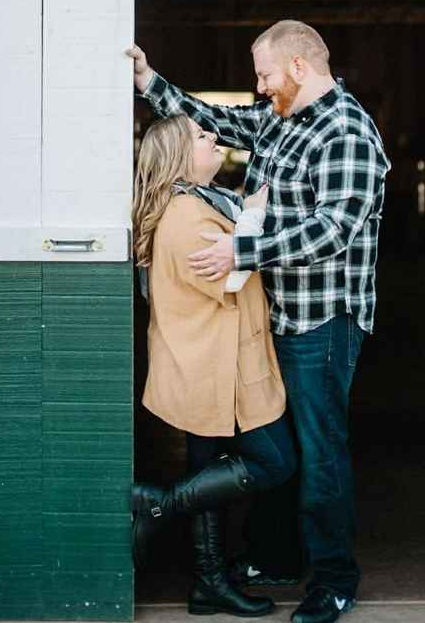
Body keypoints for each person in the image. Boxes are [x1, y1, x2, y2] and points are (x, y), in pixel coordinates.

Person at [126, 20, 390, 623]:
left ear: (299, 66)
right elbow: (209, 122)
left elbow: (332, 231)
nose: (260, 86)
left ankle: (334, 581)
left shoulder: (347, 132)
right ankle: (276, 556)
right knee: (282, 445)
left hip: (322, 321)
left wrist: (242, 251)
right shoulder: (278, 117)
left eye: (266, 74)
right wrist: (148, 81)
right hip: (275, 315)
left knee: (320, 450)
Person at [130, 112, 298, 618]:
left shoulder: (200, 201)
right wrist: (252, 219)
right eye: (201, 135)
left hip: (206, 363)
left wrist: (245, 211)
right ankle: (160, 504)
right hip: (215, 365)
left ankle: (209, 583)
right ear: (180, 156)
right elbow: (227, 276)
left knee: (206, 470)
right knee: (275, 462)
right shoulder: (186, 215)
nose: (213, 137)